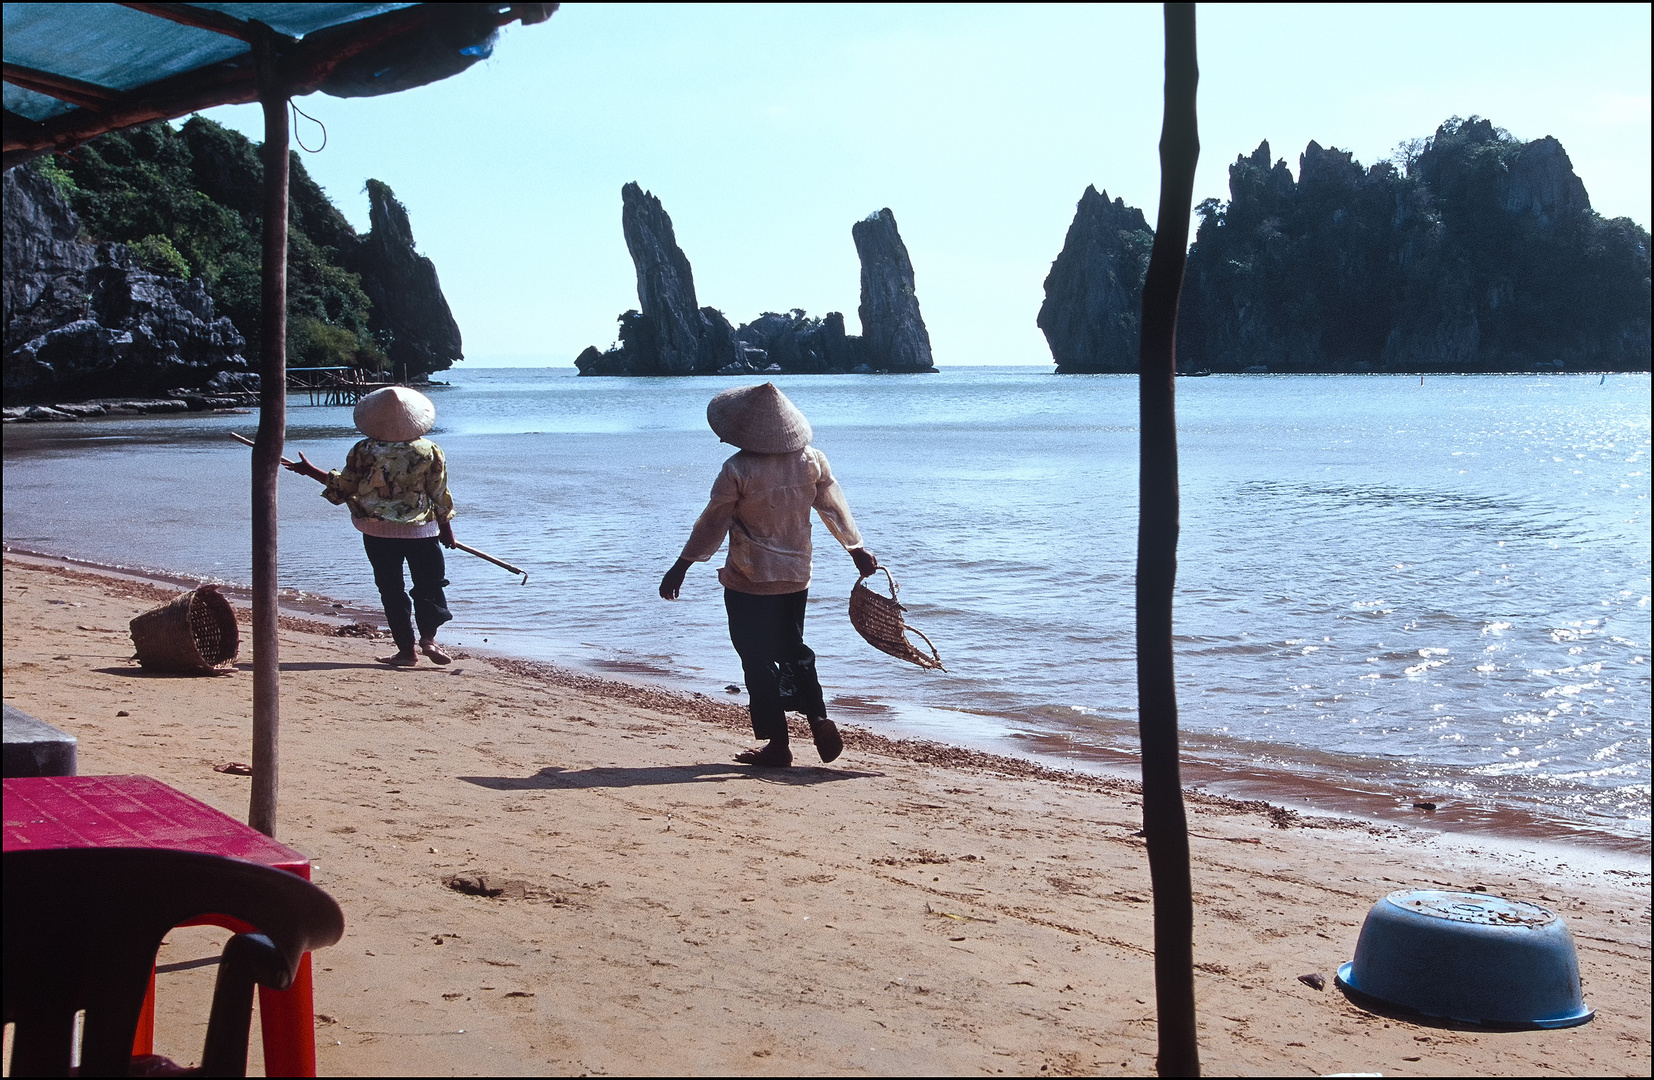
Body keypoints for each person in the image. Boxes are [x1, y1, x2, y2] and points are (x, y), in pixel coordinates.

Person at [659, 383, 878, 767]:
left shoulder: (737, 469)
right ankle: (817, 715)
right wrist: (856, 548)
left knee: (756, 658)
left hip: (749, 576)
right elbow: (833, 507)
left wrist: (683, 565)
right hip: (796, 574)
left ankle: (778, 744)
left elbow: (713, 522)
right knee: (792, 648)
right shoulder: (812, 460)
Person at [284, 386, 458, 667]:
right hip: (421, 532)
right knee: (429, 586)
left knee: (391, 589)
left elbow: (344, 487)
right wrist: (446, 528)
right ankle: (428, 638)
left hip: (377, 532)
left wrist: (310, 471)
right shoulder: (429, 451)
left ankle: (406, 651)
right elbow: (439, 493)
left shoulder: (364, 450)